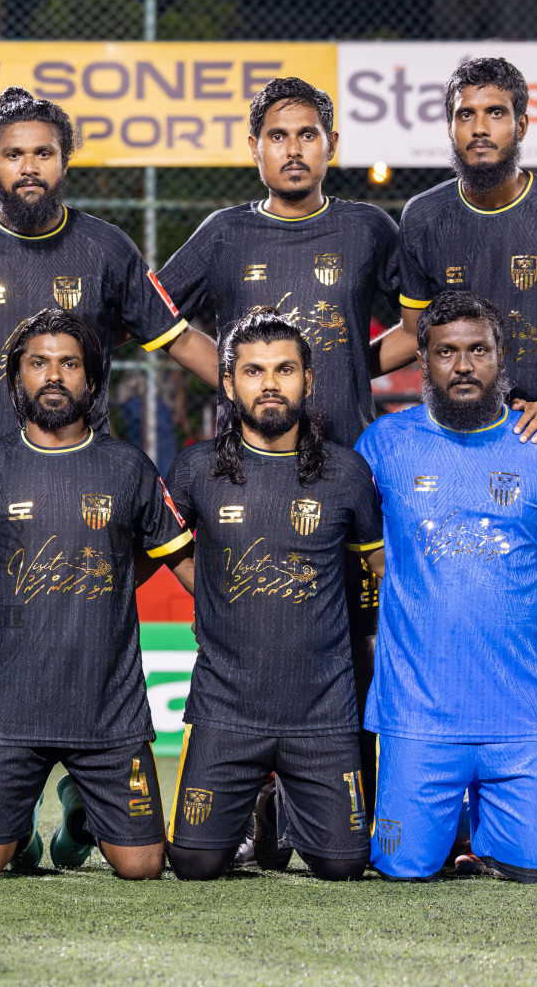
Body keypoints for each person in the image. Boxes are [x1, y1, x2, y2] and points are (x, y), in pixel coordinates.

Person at [0, 87, 219, 780]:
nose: (29, 167)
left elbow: (180, 338)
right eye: (14, 154)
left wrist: (251, 389)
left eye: (43, 153)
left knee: (91, 645)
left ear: (65, 160)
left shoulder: (106, 248)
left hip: (86, 486)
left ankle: (87, 800)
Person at [386, 57, 537, 877]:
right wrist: (328, 368)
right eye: (466, 114)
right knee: (451, 622)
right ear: (449, 126)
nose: (480, 128)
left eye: (495, 113)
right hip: (452, 451)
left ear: (522, 123)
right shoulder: (423, 217)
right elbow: (408, 337)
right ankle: (456, 818)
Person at [155, 75, 402, 860]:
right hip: (246, 469)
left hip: (344, 475)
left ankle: (329, 802)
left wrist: (352, 368)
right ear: (254, 148)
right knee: (255, 631)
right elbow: (156, 312)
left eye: (308, 135)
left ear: (332, 146)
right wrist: (228, 375)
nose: (293, 150)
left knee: (353, 645)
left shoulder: (369, 228)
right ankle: (249, 800)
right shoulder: (225, 233)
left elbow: (421, 322)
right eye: (278, 136)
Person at [357, 290, 537, 882]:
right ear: (423, 360)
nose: (463, 365)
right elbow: (360, 558)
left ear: (501, 356)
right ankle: (453, 824)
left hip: (521, 716)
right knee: (404, 869)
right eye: (446, 352)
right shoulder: (383, 445)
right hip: (419, 716)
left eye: (478, 350)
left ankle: (484, 828)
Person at [0, 309, 191, 880]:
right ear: (17, 379)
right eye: (38, 363)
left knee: (142, 868)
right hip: (10, 710)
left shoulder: (127, 466)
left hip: (109, 711)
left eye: (69, 363)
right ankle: (23, 827)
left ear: (92, 379)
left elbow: (177, 559)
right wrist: (11, 607)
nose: (53, 375)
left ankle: (77, 812)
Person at [158, 308, 382, 881]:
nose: (270, 384)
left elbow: (380, 571)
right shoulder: (197, 469)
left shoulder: (347, 472)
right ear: (229, 383)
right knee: (194, 863)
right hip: (226, 705)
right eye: (253, 371)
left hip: (323, 709)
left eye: (285, 369)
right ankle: (261, 803)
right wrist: (212, 592)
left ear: (308, 378)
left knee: (343, 866)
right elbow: (161, 549)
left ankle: (276, 805)